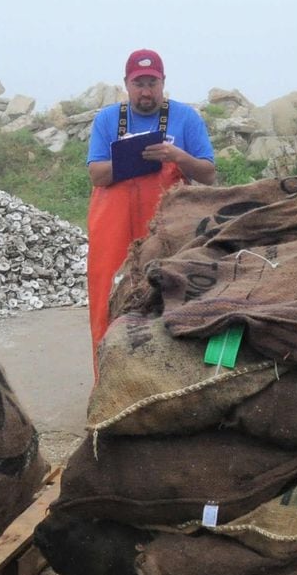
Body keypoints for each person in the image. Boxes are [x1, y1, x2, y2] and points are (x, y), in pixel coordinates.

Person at [85, 48, 216, 355]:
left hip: (167, 230)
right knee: (109, 299)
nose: (146, 91)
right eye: (139, 83)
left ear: (163, 82)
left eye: (152, 83)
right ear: (126, 84)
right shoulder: (107, 120)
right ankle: (107, 379)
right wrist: (132, 158)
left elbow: (209, 175)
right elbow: (96, 174)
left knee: (167, 297)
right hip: (113, 234)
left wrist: (177, 156)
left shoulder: (185, 118)